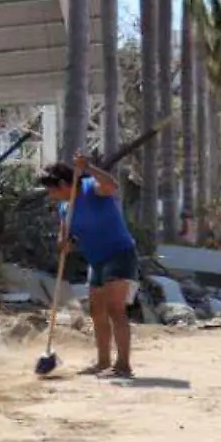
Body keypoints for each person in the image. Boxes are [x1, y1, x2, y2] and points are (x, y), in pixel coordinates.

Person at [37, 155, 139, 379]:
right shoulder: (65, 208)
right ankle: (103, 362)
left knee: (115, 309)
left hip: (119, 253)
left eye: (52, 190)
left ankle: (123, 365)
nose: (50, 196)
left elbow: (112, 185)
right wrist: (65, 243)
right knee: (96, 310)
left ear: (63, 185)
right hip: (96, 260)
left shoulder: (90, 188)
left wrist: (88, 168)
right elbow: (66, 236)